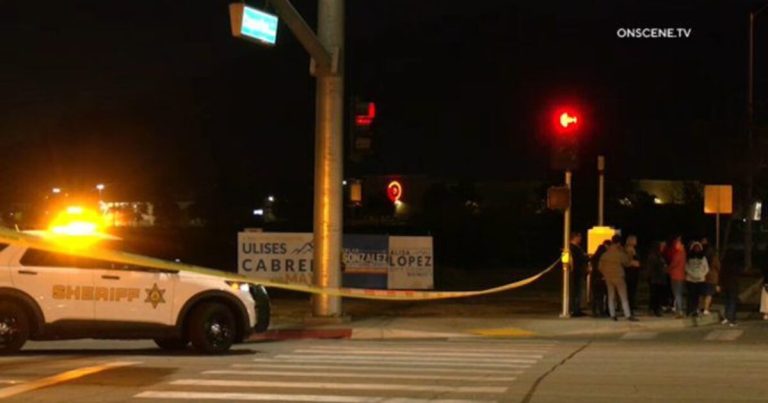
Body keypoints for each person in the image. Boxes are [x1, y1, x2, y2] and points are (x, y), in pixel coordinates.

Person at [599, 235, 638, 321]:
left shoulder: (605, 254)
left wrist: (605, 274)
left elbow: (600, 267)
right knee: (623, 296)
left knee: (611, 296)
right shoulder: (619, 253)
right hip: (619, 276)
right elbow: (627, 263)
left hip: (608, 277)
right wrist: (630, 254)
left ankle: (612, 315)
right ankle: (628, 315)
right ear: (619, 243)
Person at [685, 241, 709, 317]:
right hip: (690, 279)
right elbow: (686, 267)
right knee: (690, 295)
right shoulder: (688, 257)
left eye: (698, 248)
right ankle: (689, 310)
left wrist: (701, 275)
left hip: (700, 279)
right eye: (695, 247)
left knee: (697, 296)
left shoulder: (703, 258)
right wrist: (692, 275)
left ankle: (695, 310)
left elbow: (706, 268)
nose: (697, 249)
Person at [569, 232, 589, 317]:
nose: (581, 239)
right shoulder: (572, 248)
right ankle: (575, 309)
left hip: (579, 272)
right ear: (575, 237)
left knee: (579, 291)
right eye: (579, 237)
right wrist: (586, 257)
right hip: (575, 272)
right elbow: (579, 259)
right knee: (576, 291)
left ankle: (577, 308)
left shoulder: (577, 247)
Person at [666, 236, 687, 318]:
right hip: (680, 275)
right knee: (678, 293)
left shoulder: (679, 254)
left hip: (676, 276)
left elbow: (674, 264)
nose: (675, 245)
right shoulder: (683, 253)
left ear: (681, 245)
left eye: (677, 243)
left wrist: (667, 269)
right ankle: (679, 310)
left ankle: (680, 311)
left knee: (677, 294)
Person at [646, 241, 668, 317]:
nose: (663, 248)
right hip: (655, 278)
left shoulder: (660, 255)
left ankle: (654, 309)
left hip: (659, 278)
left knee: (657, 295)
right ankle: (654, 309)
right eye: (661, 246)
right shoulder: (653, 256)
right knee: (654, 295)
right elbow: (652, 267)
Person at [590, 239, 611, 317]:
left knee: (595, 295)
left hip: (594, 277)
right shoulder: (603, 255)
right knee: (601, 295)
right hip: (601, 277)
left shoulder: (595, 256)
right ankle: (601, 311)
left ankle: (594, 311)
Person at [700, 238, 720, 316]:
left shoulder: (702, 256)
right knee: (709, 294)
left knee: (703, 294)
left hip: (703, 276)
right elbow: (718, 267)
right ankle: (706, 309)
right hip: (712, 277)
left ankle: (702, 307)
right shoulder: (714, 258)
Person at [624, 235, 641, 315]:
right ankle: (629, 309)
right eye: (635, 240)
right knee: (630, 291)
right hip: (630, 273)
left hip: (634, 272)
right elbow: (627, 261)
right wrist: (634, 263)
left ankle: (631, 308)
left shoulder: (633, 249)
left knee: (632, 291)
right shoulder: (629, 249)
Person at [720, 260, 740, 327]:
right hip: (733, 285)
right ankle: (732, 320)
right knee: (732, 302)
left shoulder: (724, 266)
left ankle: (726, 317)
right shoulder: (735, 266)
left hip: (725, 285)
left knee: (727, 302)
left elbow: (721, 275)